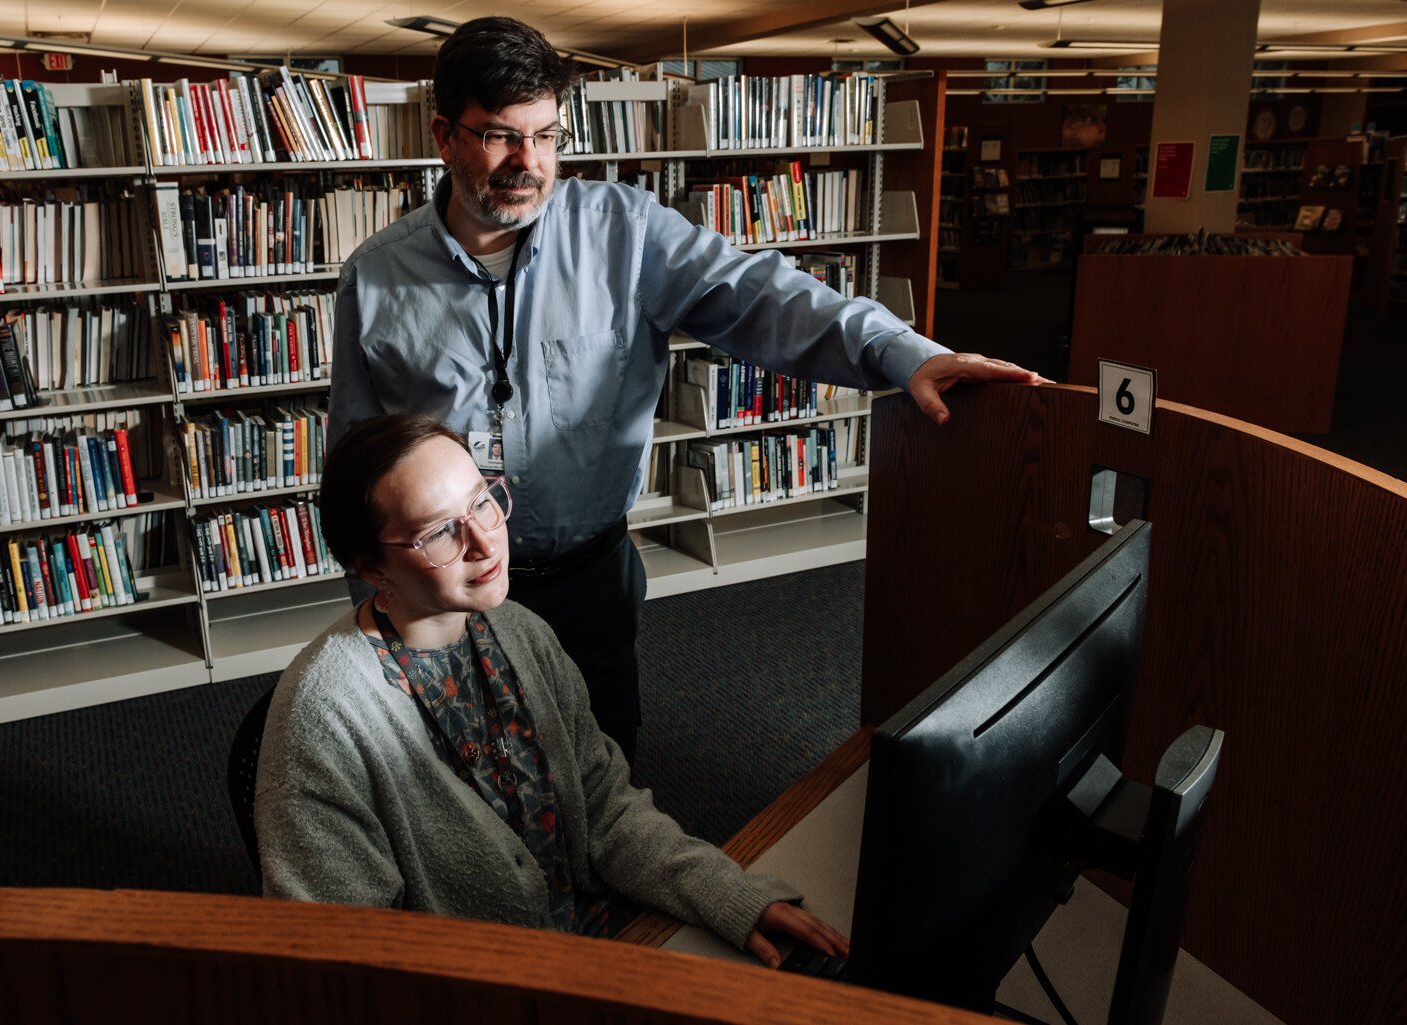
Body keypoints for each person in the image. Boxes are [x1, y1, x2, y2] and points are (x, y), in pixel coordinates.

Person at [327, 16, 1049, 763]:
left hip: (587, 580)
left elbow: (761, 294)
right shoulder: (377, 275)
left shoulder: (625, 233)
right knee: (454, 781)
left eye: (547, 136)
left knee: (603, 768)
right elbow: (356, 460)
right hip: (440, 592)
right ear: (445, 136)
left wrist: (899, 351)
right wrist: (373, 613)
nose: (529, 162)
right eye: (502, 135)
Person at [256, 412, 847, 967]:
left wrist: (724, 893)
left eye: (484, 503)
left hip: (593, 943)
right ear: (370, 564)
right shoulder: (323, 715)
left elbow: (604, 812)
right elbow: (346, 955)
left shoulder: (519, 630)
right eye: (440, 534)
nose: (486, 545)